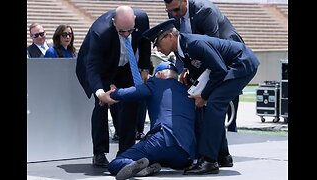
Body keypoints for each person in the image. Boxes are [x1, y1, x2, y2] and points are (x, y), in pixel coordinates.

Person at [142, 19, 260, 175]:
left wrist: (204, 95)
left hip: (241, 63)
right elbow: (201, 67)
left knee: (215, 103)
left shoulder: (194, 44)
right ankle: (222, 155)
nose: (157, 48)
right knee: (212, 106)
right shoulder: (182, 48)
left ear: (169, 36)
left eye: (157, 43)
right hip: (231, 65)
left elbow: (219, 70)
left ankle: (209, 161)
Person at [75, 6, 151, 167]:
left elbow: (145, 41)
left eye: (129, 31)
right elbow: (93, 66)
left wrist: (144, 67)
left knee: (131, 101)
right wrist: (100, 92)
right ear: (114, 22)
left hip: (124, 66)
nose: (126, 35)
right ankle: (99, 152)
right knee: (102, 105)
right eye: (121, 31)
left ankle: (126, 151)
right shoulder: (100, 32)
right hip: (100, 68)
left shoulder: (142, 19)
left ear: (135, 22)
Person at [101, 61, 196, 180]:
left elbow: (132, 92)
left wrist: (112, 94)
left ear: (160, 74)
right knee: (165, 158)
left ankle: (133, 165)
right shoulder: (188, 90)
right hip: (185, 152)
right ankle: (149, 166)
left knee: (115, 164)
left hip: (162, 139)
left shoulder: (155, 83)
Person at [163, 0, 244, 132]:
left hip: (226, 49)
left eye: (176, 10)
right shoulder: (174, 13)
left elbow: (213, 46)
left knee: (225, 84)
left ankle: (230, 127)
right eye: (169, 11)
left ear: (185, 1)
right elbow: (180, 42)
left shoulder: (205, 11)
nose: (173, 14)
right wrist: (185, 67)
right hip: (199, 50)